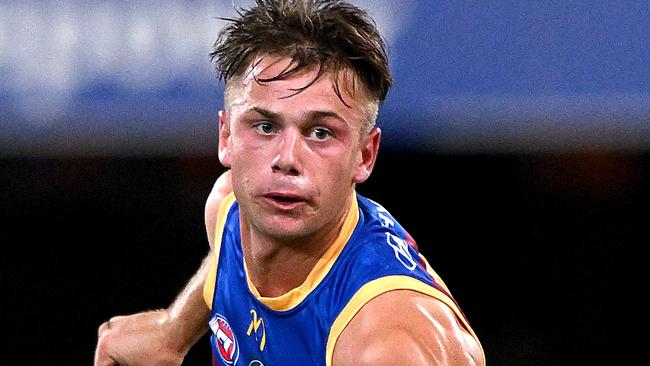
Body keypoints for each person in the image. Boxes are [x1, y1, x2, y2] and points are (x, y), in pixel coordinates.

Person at [94, 0, 485, 365]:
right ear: (226, 137)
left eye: (320, 133)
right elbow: (231, 249)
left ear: (365, 155)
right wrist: (173, 331)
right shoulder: (229, 207)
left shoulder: (384, 340)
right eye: (265, 127)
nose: (286, 160)